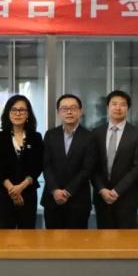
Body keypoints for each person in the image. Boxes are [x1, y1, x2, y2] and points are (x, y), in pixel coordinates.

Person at [91, 90, 138, 229]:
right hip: (102, 197)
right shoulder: (96, 133)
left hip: (127, 197)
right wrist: (101, 189)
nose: (118, 108)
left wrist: (117, 190)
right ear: (107, 107)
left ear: (128, 108)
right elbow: (92, 165)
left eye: (122, 104)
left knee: (126, 238)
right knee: (103, 237)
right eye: (114, 104)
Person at [41, 94, 96, 229]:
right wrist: (55, 190)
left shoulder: (90, 137)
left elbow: (87, 169)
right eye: (64, 109)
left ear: (80, 111)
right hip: (52, 199)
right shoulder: (50, 135)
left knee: (76, 241)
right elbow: (46, 165)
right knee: (52, 240)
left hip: (78, 200)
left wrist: (67, 191)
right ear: (58, 112)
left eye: (73, 108)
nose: (69, 112)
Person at [0, 95, 43, 229]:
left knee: (27, 234)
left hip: (28, 193)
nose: (18, 113)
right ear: (8, 113)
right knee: (4, 235)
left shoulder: (36, 137)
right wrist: (12, 190)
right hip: (5, 193)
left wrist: (21, 187)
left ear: (28, 114)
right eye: (14, 110)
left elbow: (38, 166)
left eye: (22, 110)